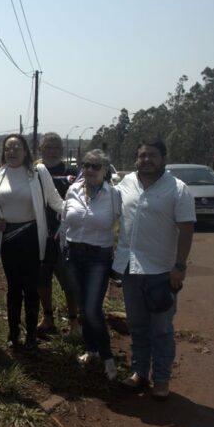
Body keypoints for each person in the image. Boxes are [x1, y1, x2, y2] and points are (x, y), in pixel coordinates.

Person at [114, 141, 195, 400]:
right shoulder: (125, 184)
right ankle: (139, 373)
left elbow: (186, 230)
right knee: (137, 325)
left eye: (152, 155)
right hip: (130, 268)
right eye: (142, 155)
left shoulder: (178, 189)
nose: (146, 159)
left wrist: (180, 266)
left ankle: (161, 379)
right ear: (136, 158)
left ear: (163, 158)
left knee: (161, 329)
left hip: (162, 271)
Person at [0, 134, 63, 349]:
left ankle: (30, 336)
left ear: (26, 151)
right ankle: (13, 333)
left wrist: (79, 213)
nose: (12, 152)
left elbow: (55, 201)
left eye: (16, 147)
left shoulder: (38, 172)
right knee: (13, 288)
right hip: (8, 237)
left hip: (31, 237)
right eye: (8, 148)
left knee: (30, 287)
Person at [61, 149, 120, 381]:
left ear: (105, 170)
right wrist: (64, 248)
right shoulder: (73, 190)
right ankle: (91, 350)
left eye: (96, 166)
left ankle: (107, 357)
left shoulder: (113, 195)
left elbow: (124, 224)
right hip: (74, 256)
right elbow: (65, 222)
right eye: (86, 165)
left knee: (93, 309)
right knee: (84, 309)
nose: (90, 170)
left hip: (98, 258)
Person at [36, 132, 81, 335]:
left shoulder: (73, 172)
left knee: (69, 281)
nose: (52, 151)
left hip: (67, 237)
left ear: (61, 151)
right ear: (41, 149)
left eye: (56, 147)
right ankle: (47, 318)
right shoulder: (33, 171)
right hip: (39, 235)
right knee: (42, 279)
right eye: (48, 147)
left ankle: (74, 321)